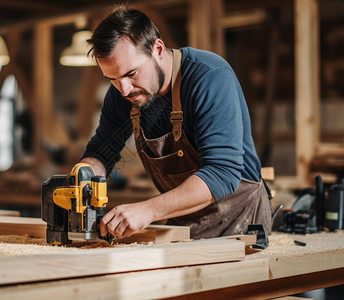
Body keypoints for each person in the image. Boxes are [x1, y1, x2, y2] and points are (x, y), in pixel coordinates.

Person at [80, 6, 272, 240]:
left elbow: (222, 173)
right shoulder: (124, 93)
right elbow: (101, 152)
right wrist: (82, 179)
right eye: (112, 79)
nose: (124, 89)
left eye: (132, 73)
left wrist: (148, 210)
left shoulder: (209, 77)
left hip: (238, 224)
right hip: (183, 225)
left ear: (158, 49)